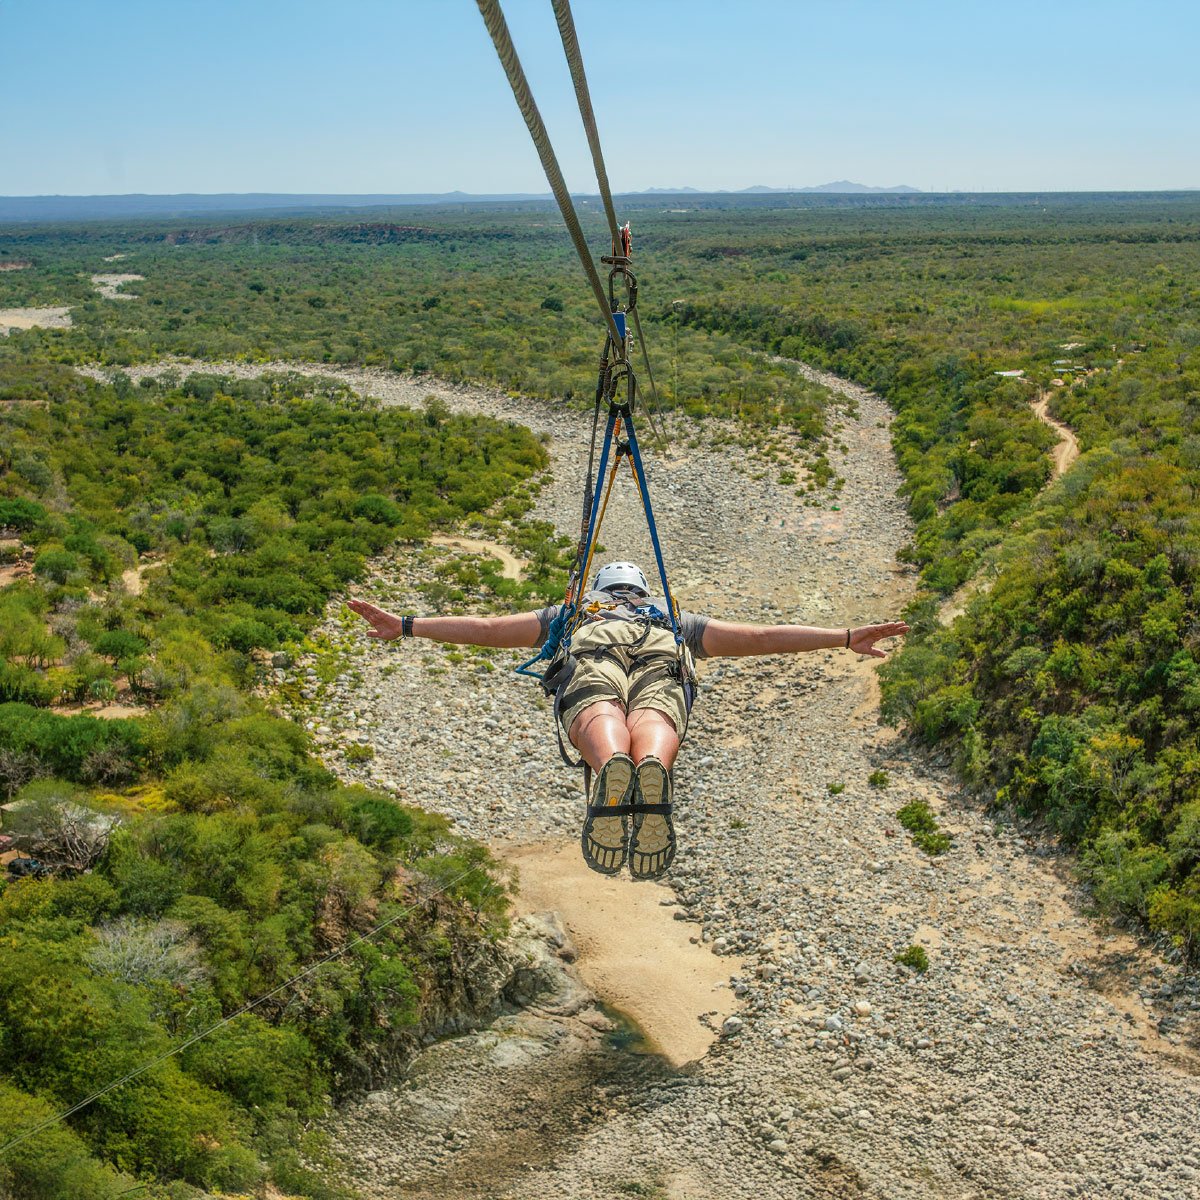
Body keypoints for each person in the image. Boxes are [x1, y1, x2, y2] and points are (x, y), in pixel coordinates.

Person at [347, 561, 908, 881]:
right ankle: (650, 764)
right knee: (658, 708)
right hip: (663, 656)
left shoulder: (570, 616)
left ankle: (609, 758)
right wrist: (847, 636)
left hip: (593, 651)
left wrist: (408, 624)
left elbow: (490, 628)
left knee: (596, 702)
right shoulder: (675, 621)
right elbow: (762, 638)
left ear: (600, 592)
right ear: (643, 591)